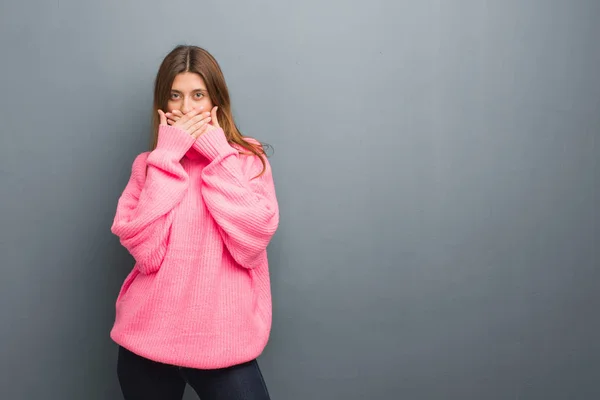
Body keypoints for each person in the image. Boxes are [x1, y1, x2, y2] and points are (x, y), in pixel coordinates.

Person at [109, 44, 279, 400]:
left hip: (224, 342)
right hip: (146, 341)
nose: (186, 108)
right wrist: (167, 157)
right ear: (163, 103)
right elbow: (147, 253)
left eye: (197, 95)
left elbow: (251, 242)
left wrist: (218, 153)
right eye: (176, 95)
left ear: (216, 99)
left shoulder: (247, 160)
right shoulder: (149, 165)